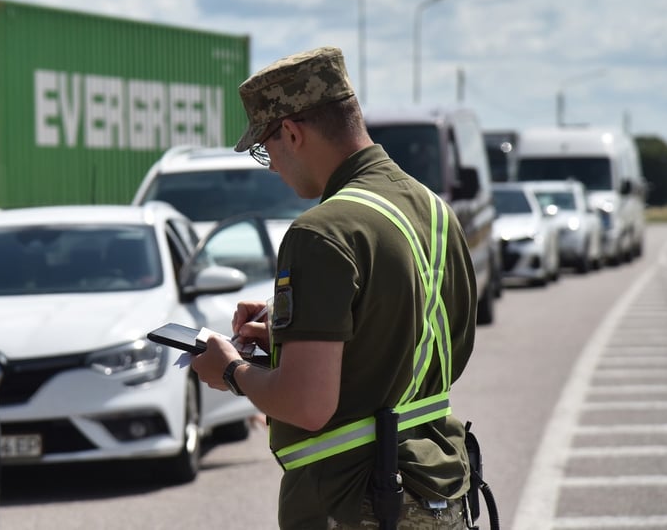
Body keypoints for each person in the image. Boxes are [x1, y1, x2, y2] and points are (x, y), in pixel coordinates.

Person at [190, 46, 477, 529]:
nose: (274, 167)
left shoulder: (320, 232)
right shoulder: (434, 211)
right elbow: (416, 345)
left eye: (266, 150)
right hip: (438, 492)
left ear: (292, 132)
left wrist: (232, 370)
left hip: (354, 503)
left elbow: (307, 404)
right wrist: (292, 334)